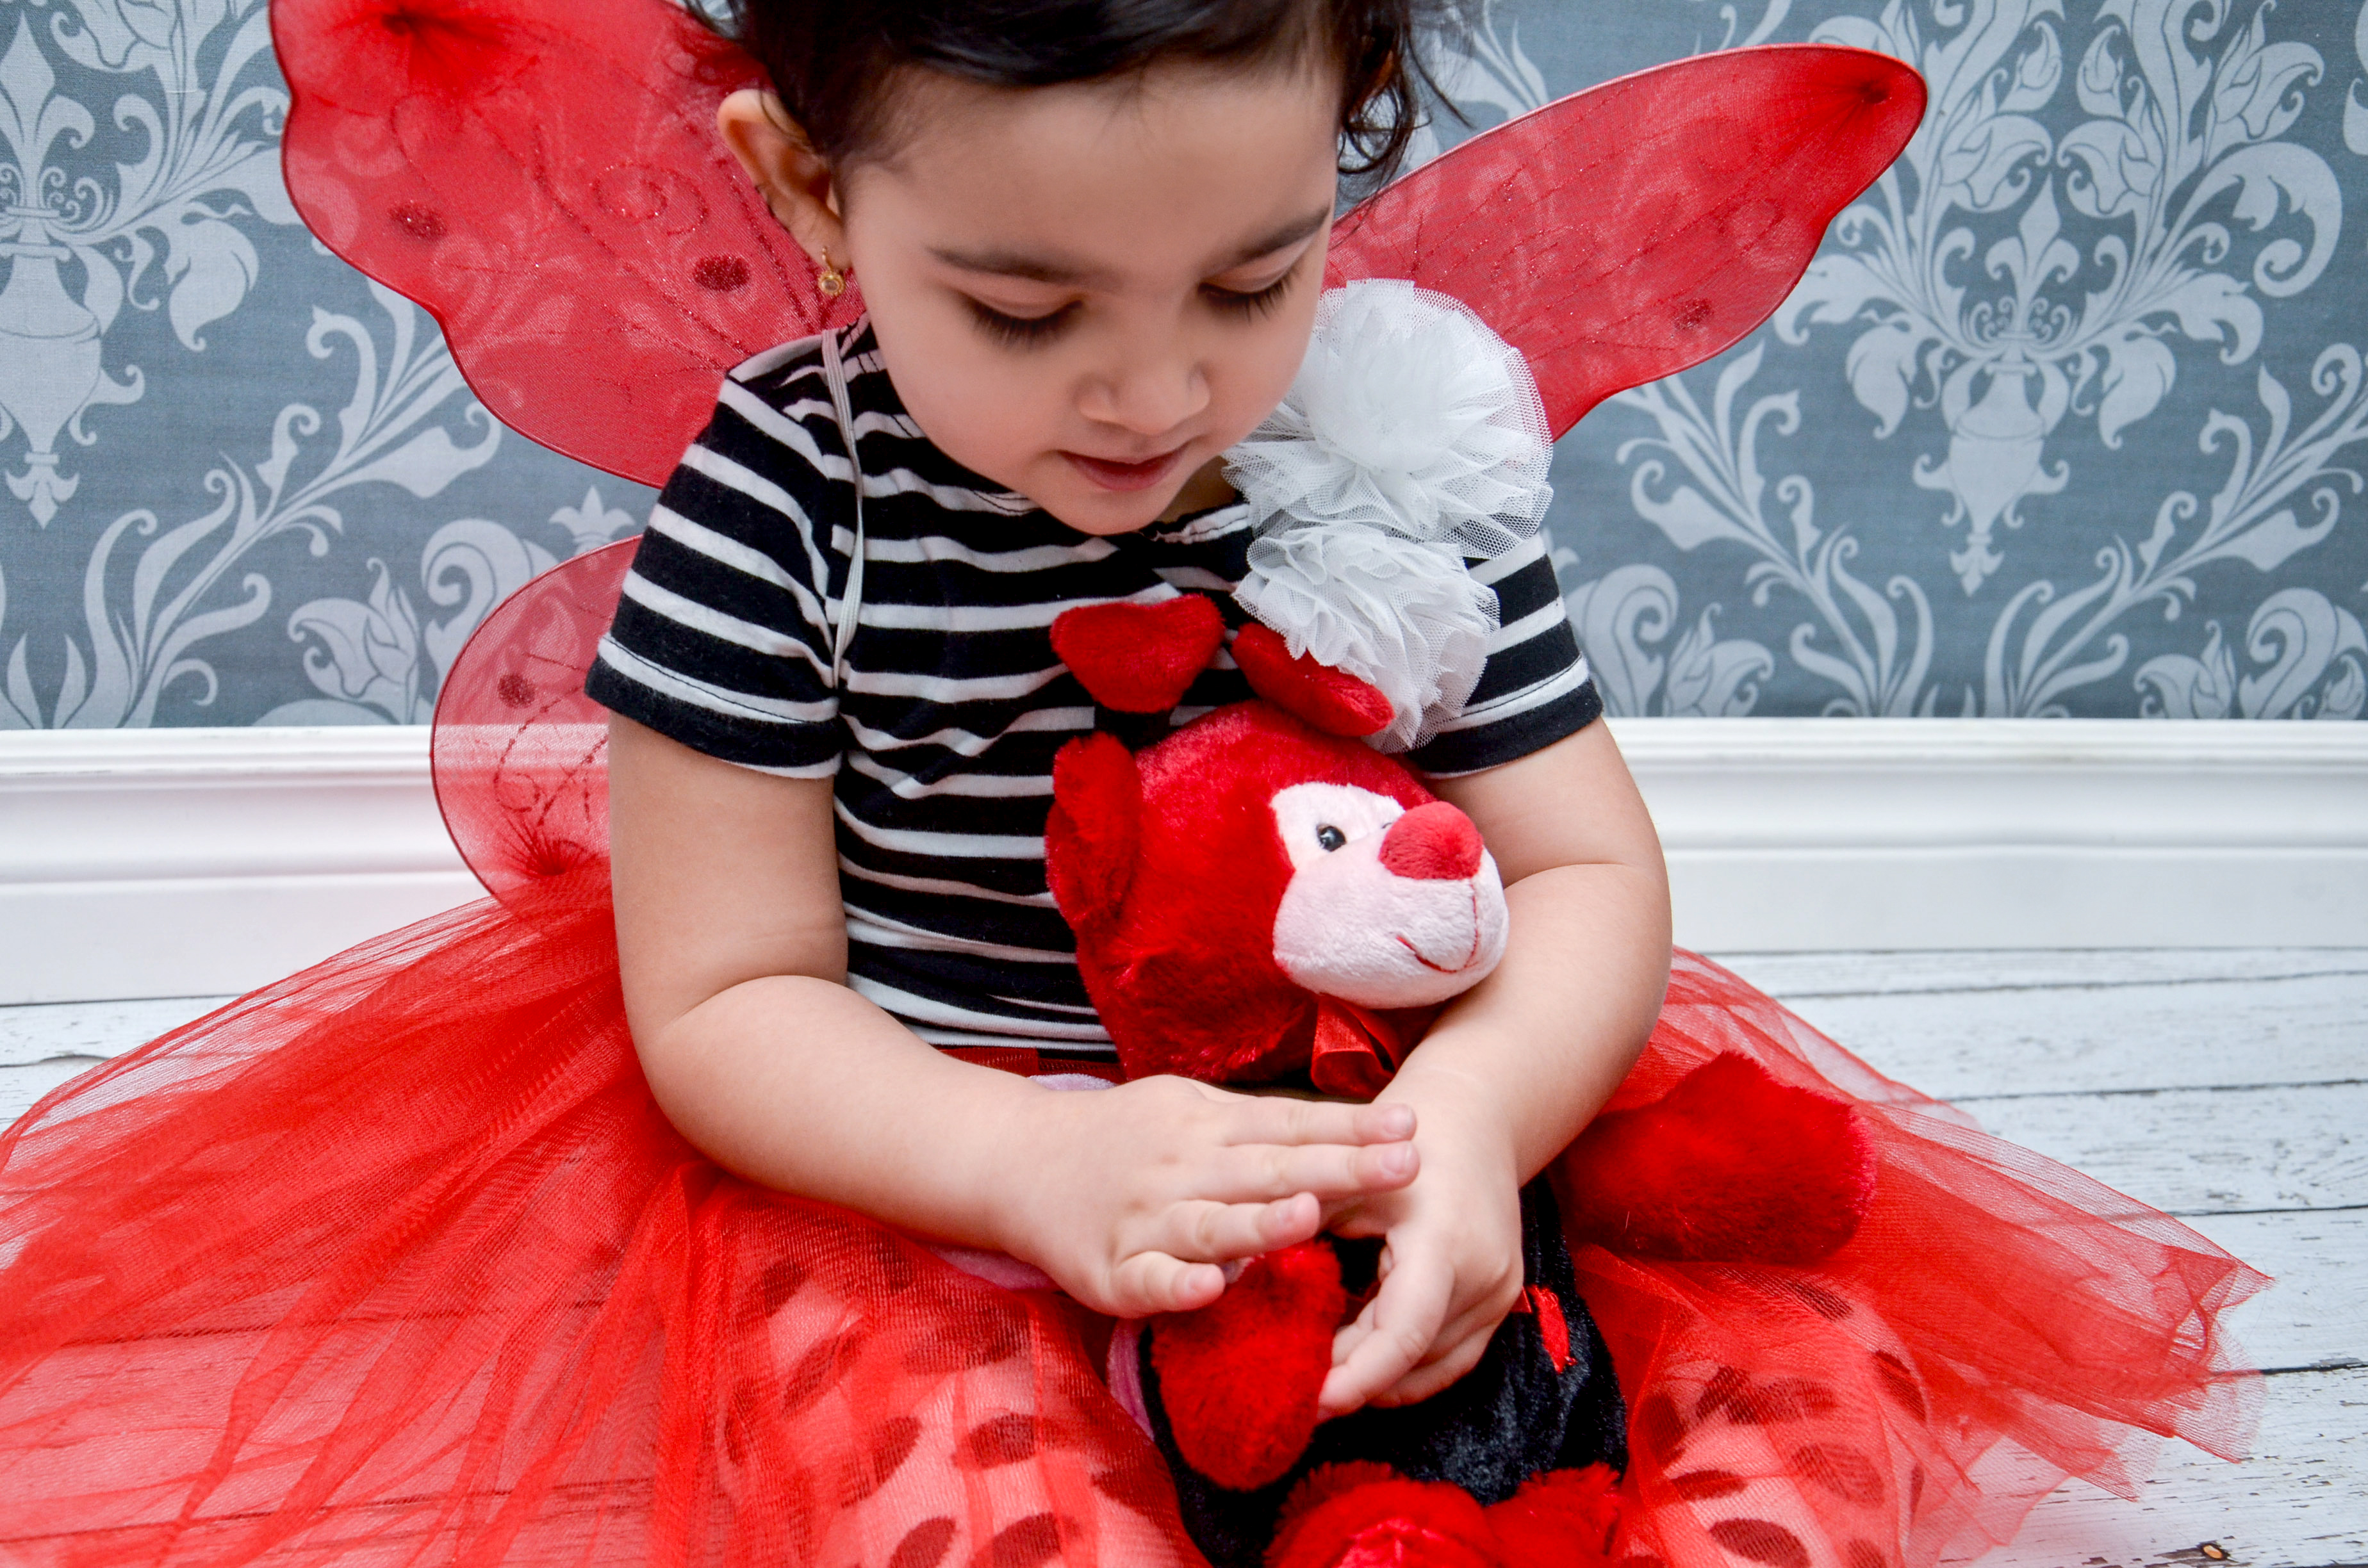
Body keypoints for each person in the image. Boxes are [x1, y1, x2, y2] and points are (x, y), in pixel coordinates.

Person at [0, 4, 2261, 1567]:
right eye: (1023, 309)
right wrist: (1034, 1165)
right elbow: (723, 998)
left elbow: (1584, 873)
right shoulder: (790, 496)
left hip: (1379, 1108)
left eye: (1252, 278)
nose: (1157, 390)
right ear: (808, 189)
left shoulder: (1392, 436)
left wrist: (1477, 1127)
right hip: (926, 1152)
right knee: (949, 1482)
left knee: (1805, 1368)